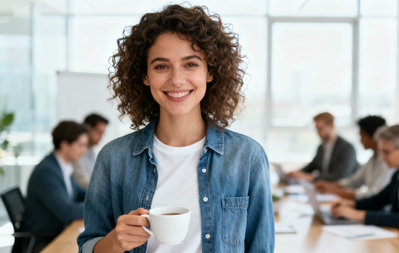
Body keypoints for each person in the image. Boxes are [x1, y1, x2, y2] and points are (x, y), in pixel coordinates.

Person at [77, 4, 274, 253]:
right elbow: (89, 244)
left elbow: (261, 248)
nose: (177, 79)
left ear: (210, 71)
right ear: (145, 75)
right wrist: (112, 243)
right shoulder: (114, 158)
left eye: (190, 64)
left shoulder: (247, 157)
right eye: (161, 66)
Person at [22, 121, 88, 251]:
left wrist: (103, 198)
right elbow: (67, 211)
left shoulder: (63, 166)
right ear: (64, 145)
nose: (84, 151)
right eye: (80, 145)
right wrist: (97, 208)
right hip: (43, 241)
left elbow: (82, 193)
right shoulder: (46, 172)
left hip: (57, 232)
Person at [314, 115, 392, 199]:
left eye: (362, 136)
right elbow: (354, 181)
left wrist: (332, 191)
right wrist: (328, 186)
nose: (360, 140)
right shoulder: (372, 160)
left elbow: (374, 194)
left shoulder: (386, 163)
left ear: (375, 137)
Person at [288, 112, 359, 182]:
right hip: (326, 189)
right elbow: (312, 165)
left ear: (331, 125)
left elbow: (340, 175)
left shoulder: (347, 148)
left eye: (320, 129)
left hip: (342, 190)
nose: (318, 133)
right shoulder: (321, 147)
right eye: (316, 129)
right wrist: (297, 173)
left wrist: (312, 178)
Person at [73, 113, 109, 190]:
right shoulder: (76, 153)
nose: (101, 137)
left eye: (103, 134)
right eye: (99, 132)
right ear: (88, 129)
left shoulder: (92, 152)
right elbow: (82, 183)